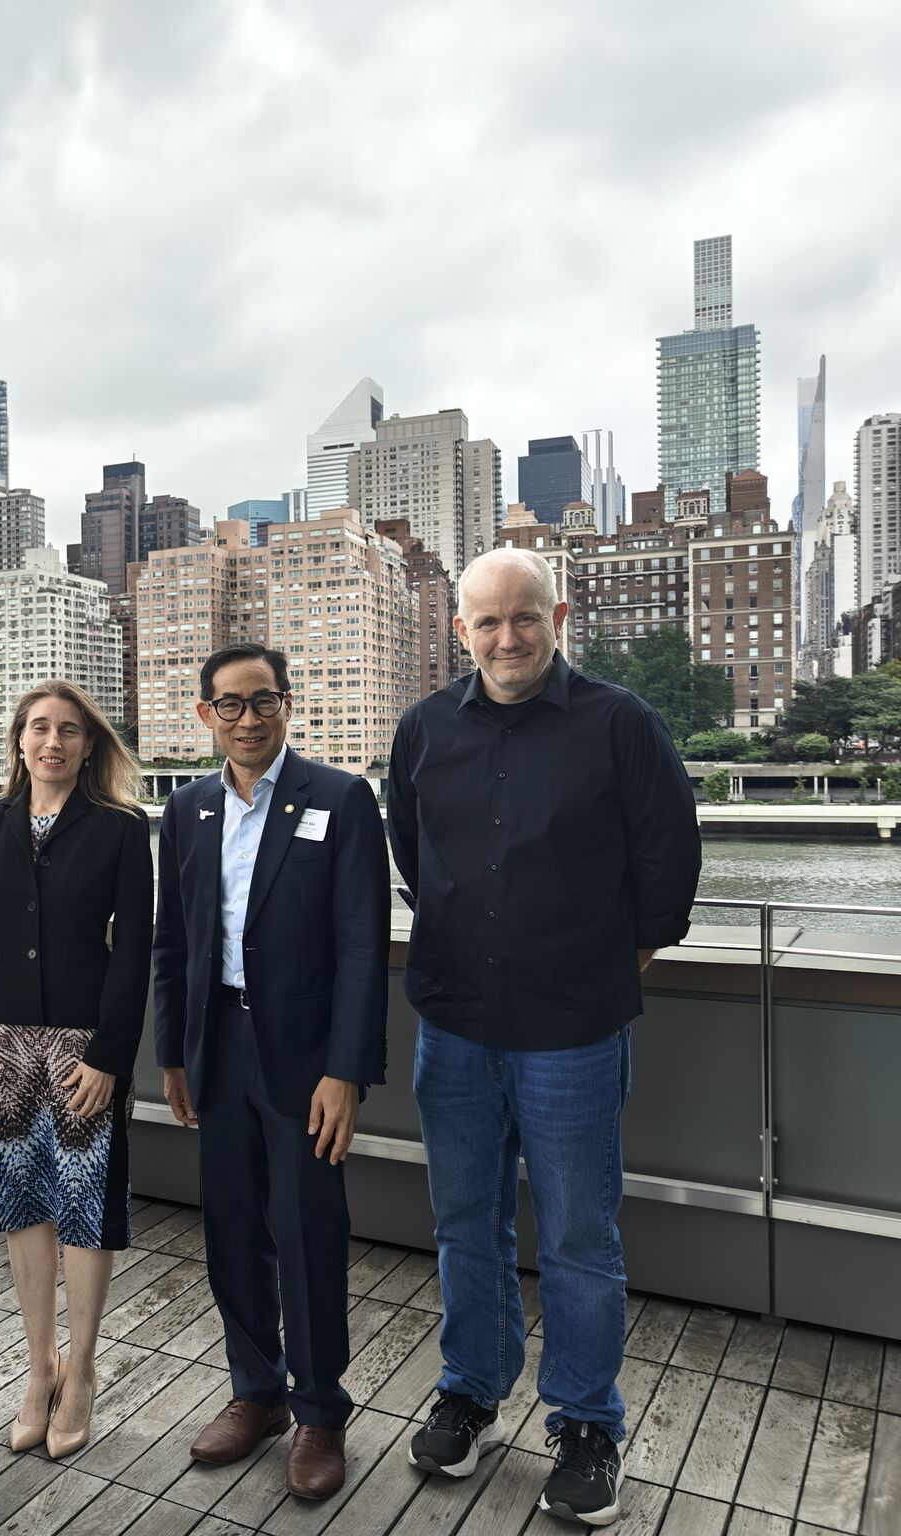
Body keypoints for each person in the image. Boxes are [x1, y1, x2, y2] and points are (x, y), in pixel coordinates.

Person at [388, 549, 700, 1527]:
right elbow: (410, 847)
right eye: (486, 623)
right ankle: (471, 1390)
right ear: (459, 630)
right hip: (455, 1027)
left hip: (570, 1029)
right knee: (461, 1225)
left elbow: (667, 858)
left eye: (523, 618)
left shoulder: (617, 723)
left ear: (554, 615)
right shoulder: (422, 729)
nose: (506, 638)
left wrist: (612, 961)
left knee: (575, 1235)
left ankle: (584, 1423)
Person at [151, 642, 389, 1500]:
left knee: (307, 1234)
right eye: (230, 705)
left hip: (304, 1062)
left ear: (288, 705)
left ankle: (321, 1410)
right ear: (205, 714)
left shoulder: (340, 798)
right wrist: (172, 1051)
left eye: (263, 702)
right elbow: (173, 940)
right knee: (232, 1233)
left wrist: (345, 1071)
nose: (247, 719)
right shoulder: (187, 810)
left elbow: (365, 943)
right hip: (218, 1049)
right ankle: (257, 1392)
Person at [0, 681, 152, 1460]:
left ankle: (85, 1368)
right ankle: (40, 1369)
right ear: (19, 741)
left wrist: (109, 1056)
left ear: (90, 745)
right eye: (39, 728)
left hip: (82, 1048)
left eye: (69, 731)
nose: (53, 742)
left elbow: (135, 953)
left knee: (86, 1207)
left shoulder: (122, 831)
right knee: (23, 1204)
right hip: (0, 1044)